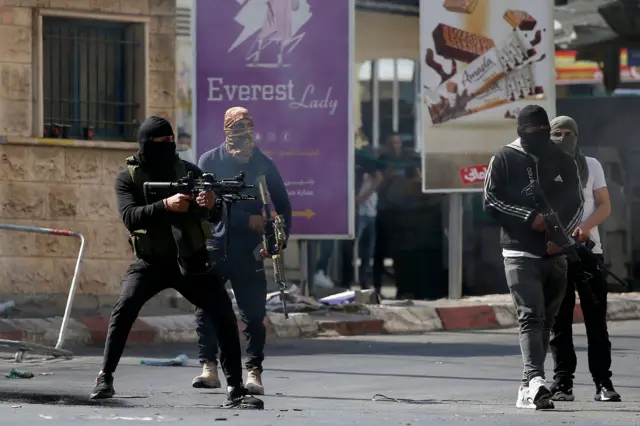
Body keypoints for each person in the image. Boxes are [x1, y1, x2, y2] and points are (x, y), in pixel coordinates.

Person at [89, 116, 263, 409]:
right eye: (161, 143)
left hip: (190, 260)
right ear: (146, 145)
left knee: (223, 314)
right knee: (124, 309)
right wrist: (164, 205)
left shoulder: (189, 171)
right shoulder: (128, 177)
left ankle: (235, 387)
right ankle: (104, 377)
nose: (168, 147)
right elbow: (130, 217)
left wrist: (211, 204)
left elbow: (216, 215)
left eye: (172, 142)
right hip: (150, 262)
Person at [483, 105, 584, 410]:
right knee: (530, 315)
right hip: (519, 251)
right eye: (531, 133)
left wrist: (559, 236)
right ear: (520, 132)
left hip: (556, 254)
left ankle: (529, 387)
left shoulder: (562, 160)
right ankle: (536, 379)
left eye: (542, 133)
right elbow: (490, 199)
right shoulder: (504, 157)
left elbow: (577, 202)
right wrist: (530, 218)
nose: (536, 138)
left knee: (547, 322)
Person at [194, 107, 292, 395]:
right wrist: (243, 219)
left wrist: (277, 238)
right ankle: (209, 367)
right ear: (227, 131)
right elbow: (207, 203)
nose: (244, 136)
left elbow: (283, 205)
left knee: (253, 312)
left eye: (248, 128)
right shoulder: (210, 160)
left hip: (249, 250)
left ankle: (254, 371)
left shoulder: (263, 163)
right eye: (238, 129)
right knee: (207, 308)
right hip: (216, 245)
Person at [547, 116, 621, 402]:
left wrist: (587, 227)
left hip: (590, 252)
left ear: (577, 135)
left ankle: (603, 383)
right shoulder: (542, 167)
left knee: (596, 321)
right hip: (556, 253)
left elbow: (604, 204)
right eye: (557, 133)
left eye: (568, 133)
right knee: (560, 321)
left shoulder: (591, 165)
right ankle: (563, 383)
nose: (563, 137)